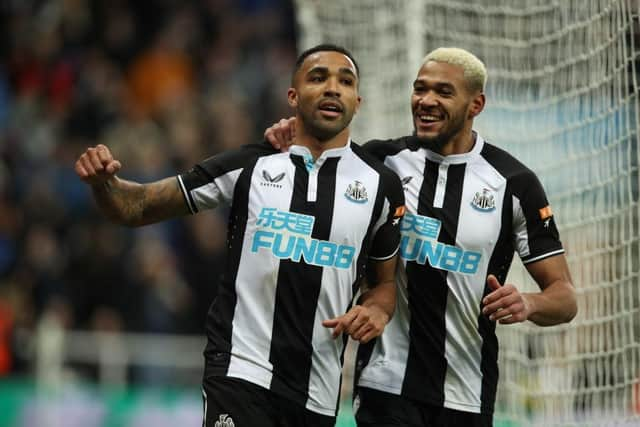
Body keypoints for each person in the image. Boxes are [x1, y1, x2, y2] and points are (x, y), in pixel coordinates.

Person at [75, 44, 406, 427]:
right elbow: (138, 206)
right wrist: (104, 184)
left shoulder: (382, 188)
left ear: (357, 100)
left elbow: (383, 286)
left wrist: (376, 311)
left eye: (345, 81)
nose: (333, 88)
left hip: (317, 392)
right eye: (318, 78)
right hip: (240, 373)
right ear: (293, 97)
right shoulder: (251, 166)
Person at [264, 47, 577, 427]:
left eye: (443, 92)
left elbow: (564, 297)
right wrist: (288, 136)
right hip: (385, 383)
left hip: (467, 393)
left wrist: (528, 302)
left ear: (475, 104)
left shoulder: (514, 184)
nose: (426, 101)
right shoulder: (381, 162)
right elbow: (318, 158)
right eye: (419, 89)